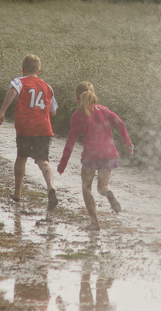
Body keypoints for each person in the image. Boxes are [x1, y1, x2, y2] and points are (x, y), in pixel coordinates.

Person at [57, 81, 134, 231]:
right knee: (102, 186)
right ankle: (109, 193)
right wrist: (127, 143)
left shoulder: (78, 116)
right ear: (93, 94)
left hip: (91, 156)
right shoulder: (104, 110)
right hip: (109, 154)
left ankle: (94, 223)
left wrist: (63, 164)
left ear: (77, 97)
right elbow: (120, 124)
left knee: (87, 188)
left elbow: (70, 142)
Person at [0, 54, 59, 210]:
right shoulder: (47, 86)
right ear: (39, 71)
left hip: (25, 127)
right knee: (43, 159)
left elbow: (12, 92)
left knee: (21, 158)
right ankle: (50, 186)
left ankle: (17, 193)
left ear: (22, 69)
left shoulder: (19, 81)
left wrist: (2, 111)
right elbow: (53, 112)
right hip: (43, 128)